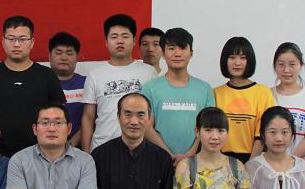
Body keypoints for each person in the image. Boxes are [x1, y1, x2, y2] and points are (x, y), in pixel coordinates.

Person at [0, 16, 66, 156]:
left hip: (39, 154)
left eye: (22, 39)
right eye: (11, 39)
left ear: (32, 42)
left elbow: (59, 116)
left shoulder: (47, 76)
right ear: (3, 41)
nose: (16, 44)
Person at [81, 14, 156, 153]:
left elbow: (153, 115)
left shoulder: (149, 72)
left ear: (134, 41)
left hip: (141, 149)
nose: (120, 41)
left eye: (125, 36)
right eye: (114, 37)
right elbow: (88, 117)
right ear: (106, 42)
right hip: (102, 147)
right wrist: (85, 154)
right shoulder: (95, 75)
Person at [141, 27, 215, 162]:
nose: (177, 53)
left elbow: (208, 126)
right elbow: (146, 126)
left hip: (196, 161)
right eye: (171, 48)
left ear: (191, 53)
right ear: (163, 53)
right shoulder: (150, 88)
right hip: (158, 160)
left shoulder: (204, 89)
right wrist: (168, 154)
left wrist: (191, 153)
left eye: (182, 48)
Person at [213, 36, 275, 163]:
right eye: (232, 57)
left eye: (243, 58)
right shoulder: (215, 93)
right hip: (219, 160)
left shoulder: (263, 93)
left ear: (250, 61)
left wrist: (249, 165)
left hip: (253, 159)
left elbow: (262, 135)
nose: (237, 63)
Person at [271, 42, 305, 158]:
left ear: (301, 65)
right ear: (275, 66)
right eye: (281, 64)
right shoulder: (267, 95)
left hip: (301, 163)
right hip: (271, 163)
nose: (286, 70)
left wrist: (291, 162)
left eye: (292, 64)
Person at [49, 32, 86, 147]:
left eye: (69, 53)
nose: (64, 57)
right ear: (49, 56)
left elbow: (92, 117)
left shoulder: (87, 83)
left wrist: (74, 142)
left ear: (77, 57)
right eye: (58, 52)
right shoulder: (40, 83)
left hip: (79, 147)